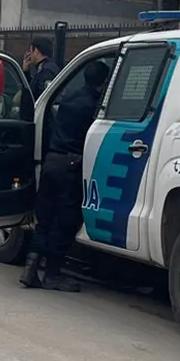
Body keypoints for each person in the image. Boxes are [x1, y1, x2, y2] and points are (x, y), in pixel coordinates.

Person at [19, 60, 111, 292]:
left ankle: (30, 268)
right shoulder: (95, 106)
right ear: (103, 83)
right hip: (71, 165)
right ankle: (52, 274)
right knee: (64, 221)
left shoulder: (69, 96)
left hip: (52, 161)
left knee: (45, 218)